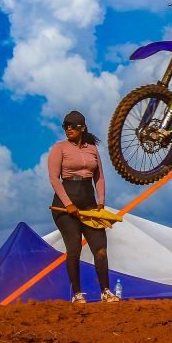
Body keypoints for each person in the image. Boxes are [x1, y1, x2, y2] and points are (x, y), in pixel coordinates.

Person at [48, 110, 120, 303]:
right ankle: (77, 294)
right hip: (65, 206)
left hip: (89, 204)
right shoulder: (59, 148)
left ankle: (106, 291)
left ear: (82, 128)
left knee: (100, 249)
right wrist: (68, 204)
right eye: (65, 126)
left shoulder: (92, 149)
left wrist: (101, 201)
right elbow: (54, 179)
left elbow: (99, 177)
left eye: (72, 126)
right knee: (74, 249)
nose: (68, 129)